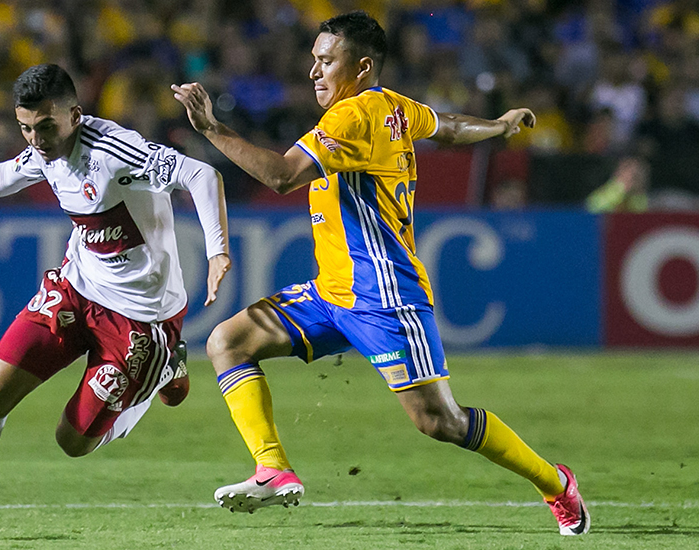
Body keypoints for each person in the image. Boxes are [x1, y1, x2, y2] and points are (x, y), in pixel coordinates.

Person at [172, 11, 589, 536]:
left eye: (326, 61)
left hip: (384, 298)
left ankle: (555, 482)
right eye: (313, 60)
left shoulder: (354, 117)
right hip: (331, 294)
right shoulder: (393, 108)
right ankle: (273, 469)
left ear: (362, 66)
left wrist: (212, 129)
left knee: (441, 422)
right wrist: (499, 126)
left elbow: (280, 176)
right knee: (228, 342)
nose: (314, 72)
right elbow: (448, 126)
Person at [0, 63, 231, 528]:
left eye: (45, 127)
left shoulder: (114, 150)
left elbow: (202, 175)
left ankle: (162, 370)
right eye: (26, 128)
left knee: (72, 440)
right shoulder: (42, 150)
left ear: (75, 116)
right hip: (75, 289)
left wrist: (217, 251)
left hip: (140, 319)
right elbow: (6, 175)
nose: (36, 139)